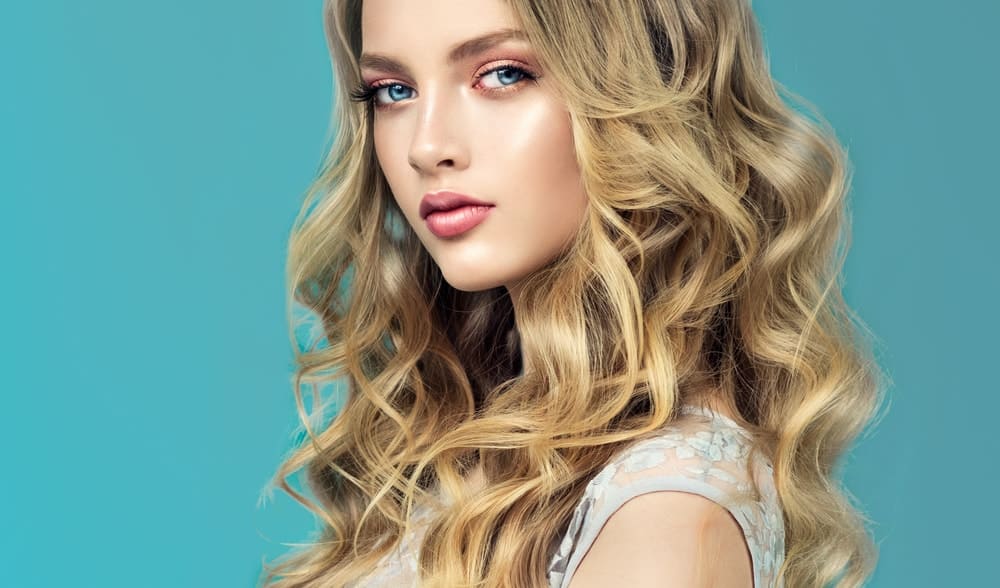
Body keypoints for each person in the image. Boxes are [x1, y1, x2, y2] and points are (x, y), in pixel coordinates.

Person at [260, 0, 886, 586]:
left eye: (501, 74)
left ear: (642, 90)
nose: (426, 147)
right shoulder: (482, 448)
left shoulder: (665, 526)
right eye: (393, 91)